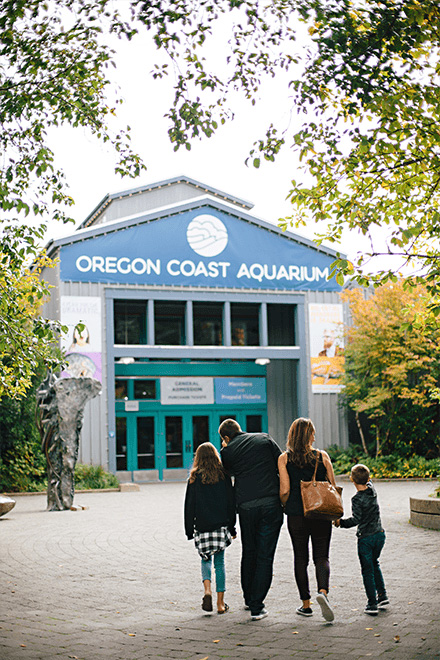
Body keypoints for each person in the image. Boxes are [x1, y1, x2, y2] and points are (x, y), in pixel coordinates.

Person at [219, 418, 283, 621]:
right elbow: (282, 464)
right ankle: (257, 606)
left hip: (246, 506)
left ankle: (249, 599)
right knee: (265, 556)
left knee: (249, 552)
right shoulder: (264, 439)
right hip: (271, 503)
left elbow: (227, 478)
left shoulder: (227, 452)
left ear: (226, 437)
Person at [278, 417, 336, 622]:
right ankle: (323, 592)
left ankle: (305, 604)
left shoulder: (284, 458)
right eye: (313, 431)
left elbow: (284, 490)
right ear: (309, 435)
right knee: (322, 556)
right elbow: (332, 485)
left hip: (296, 514)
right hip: (320, 512)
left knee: (300, 558)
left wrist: (285, 504)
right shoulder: (322, 456)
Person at [184, 442, 236, 615]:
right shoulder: (223, 476)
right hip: (220, 526)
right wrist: (232, 527)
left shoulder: (194, 478)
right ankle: (221, 603)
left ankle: (207, 590)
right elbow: (231, 503)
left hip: (202, 526)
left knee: (205, 559)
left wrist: (189, 530)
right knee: (219, 564)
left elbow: (189, 506)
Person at [334, 464, 389, 616]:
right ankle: (382, 596)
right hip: (380, 534)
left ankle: (372, 604)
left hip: (366, 539)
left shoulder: (357, 499)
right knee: (374, 563)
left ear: (351, 479)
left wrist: (341, 523)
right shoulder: (373, 490)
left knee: (367, 570)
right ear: (369, 479)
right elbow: (368, 481)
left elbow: (356, 519)